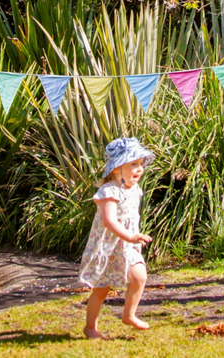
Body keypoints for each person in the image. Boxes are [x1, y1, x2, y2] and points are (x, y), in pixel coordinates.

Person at [79, 136, 155, 339]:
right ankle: (90, 327)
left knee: (139, 276)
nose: (139, 169)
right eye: (133, 164)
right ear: (116, 169)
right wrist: (130, 236)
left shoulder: (133, 189)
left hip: (128, 245)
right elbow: (109, 221)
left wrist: (132, 238)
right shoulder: (109, 191)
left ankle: (129, 315)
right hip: (108, 246)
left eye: (140, 164)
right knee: (101, 289)